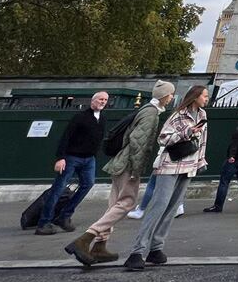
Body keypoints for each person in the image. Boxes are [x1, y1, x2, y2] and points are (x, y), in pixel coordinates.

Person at [67, 80, 174, 266]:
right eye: (170, 94)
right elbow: (138, 143)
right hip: (128, 164)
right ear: (165, 96)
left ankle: (100, 246)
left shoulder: (146, 110)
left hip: (120, 161)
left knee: (114, 205)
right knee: (127, 202)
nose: (172, 97)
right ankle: (85, 239)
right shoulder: (151, 114)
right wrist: (136, 169)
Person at [124, 84, 209, 271]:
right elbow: (163, 138)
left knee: (171, 209)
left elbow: (203, 142)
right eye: (204, 95)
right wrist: (187, 132)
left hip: (189, 166)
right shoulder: (178, 115)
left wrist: (201, 162)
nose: (206, 98)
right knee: (158, 206)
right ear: (195, 97)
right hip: (170, 165)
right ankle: (137, 251)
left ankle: (156, 248)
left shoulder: (202, 115)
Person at [35, 91, 108, 235]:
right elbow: (66, 136)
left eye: (105, 100)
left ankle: (64, 215)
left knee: (88, 184)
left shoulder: (102, 119)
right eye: (100, 99)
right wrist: (61, 157)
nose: (103, 101)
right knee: (58, 189)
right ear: (92, 101)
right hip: (72, 157)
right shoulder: (80, 117)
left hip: (89, 158)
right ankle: (44, 222)